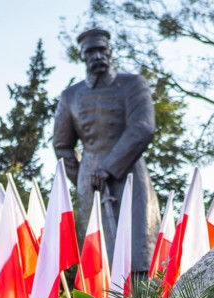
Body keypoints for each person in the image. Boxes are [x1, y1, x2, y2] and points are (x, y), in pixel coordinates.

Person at [52, 28, 159, 272]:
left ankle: (141, 296)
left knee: (139, 251)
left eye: (101, 50)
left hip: (129, 175)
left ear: (109, 51)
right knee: (99, 260)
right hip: (91, 185)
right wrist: (83, 179)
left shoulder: (132, 84)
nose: (97, 56)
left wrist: (109, 168)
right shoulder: (70, 96)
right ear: (82, 56)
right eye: (91, 51)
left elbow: (142, 127)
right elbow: (62, 145)